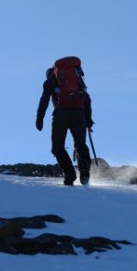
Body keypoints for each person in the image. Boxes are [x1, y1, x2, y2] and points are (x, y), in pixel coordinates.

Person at [36, 57, 93, 186]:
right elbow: (87, 99)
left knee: (57, 147)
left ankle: (69, 174)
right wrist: (88, 119)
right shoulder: (78, 79)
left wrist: (39, 118)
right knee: (80, 144)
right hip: (79, 114)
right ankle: (84, 167)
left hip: (60, 114)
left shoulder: (50, 81)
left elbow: (44, 100)